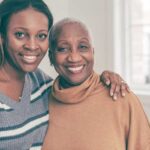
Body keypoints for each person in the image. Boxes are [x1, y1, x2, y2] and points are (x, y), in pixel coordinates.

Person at [0, 0, 130, 149]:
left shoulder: (41, 83)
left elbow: (74, 86)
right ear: (2, 36)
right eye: (20, 34)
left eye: (41, 36)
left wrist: (104, 78)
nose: (32, 45)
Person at [42, 18, 150, 150]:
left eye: (82, 47)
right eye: (63, 49)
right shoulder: (40, 102)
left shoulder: (121, 98)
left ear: (92, 52)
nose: (74, 58)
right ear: (51, 57)